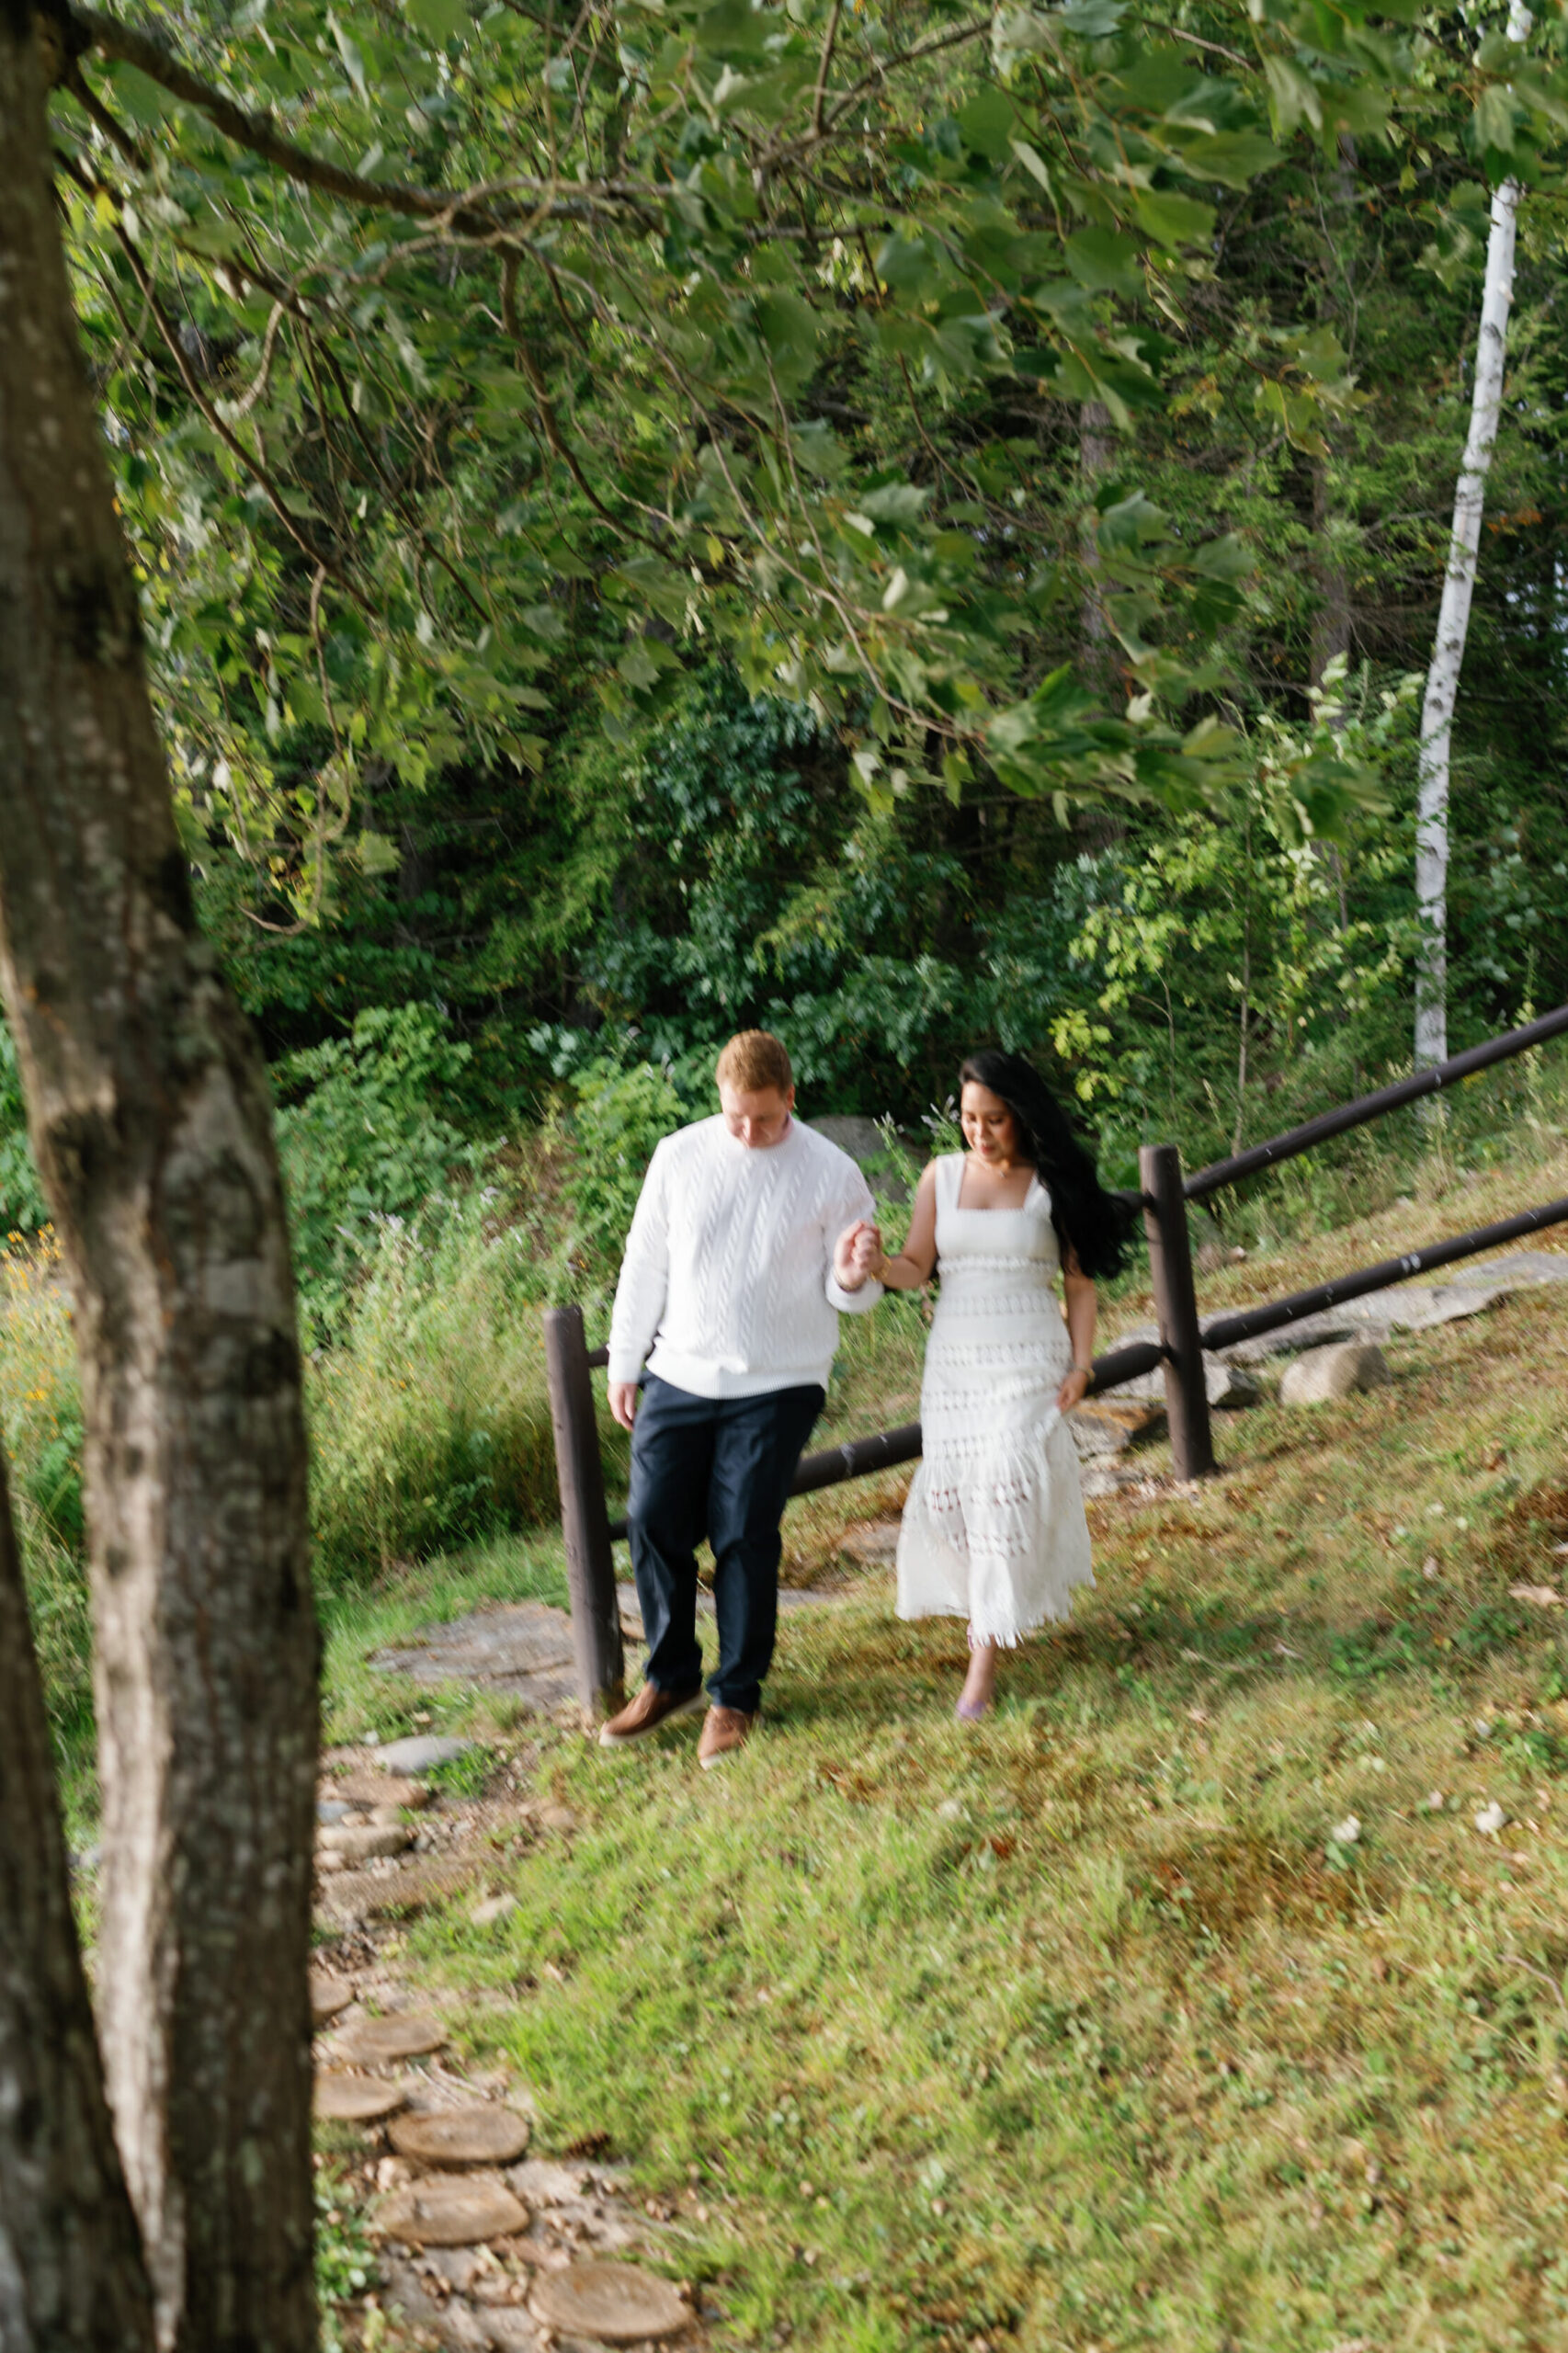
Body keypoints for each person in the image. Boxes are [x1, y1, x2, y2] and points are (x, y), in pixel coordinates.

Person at [600, 1029, 882, 1768]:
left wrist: (853, 1276)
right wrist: (625, 1361)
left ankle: (735, 1696)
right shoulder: (680, 1156)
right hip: (681, 1370)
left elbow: (852, 1293)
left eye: (762, 1117)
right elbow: (644, 1264)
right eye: (735, 1117)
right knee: (654, 1518)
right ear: (719, 1102)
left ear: (791, 1097)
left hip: (781, 1379)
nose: (748, 1132)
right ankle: (670, 1679)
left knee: (742, 1530)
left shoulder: (833, 1170)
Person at [840, 1051, 1131, 1720]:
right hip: (956, 1361)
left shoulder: (1049, 1185)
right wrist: (880, 1264)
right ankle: (992, 1606)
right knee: (959, 1500)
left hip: (1029, 1355)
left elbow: (1080, 1286)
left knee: (1005, 1482)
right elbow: (917, 1266)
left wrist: (1081, 1365)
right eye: (969, 1118)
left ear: (1022, 1118)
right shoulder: (939, 1177)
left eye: (994, 1119)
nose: (979, 1132)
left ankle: (983, 1659)